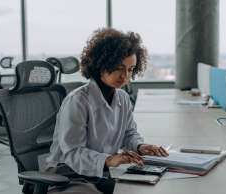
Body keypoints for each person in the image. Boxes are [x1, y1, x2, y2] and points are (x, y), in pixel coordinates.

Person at [46, 28, 168, 194]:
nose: (125, 76)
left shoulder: (123, 98)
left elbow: (128, 133)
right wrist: (110, 159)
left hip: (101, 173)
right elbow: (73, 153)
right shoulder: (78, 101)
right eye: (119, 68)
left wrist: (140, 146)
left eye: (131, 69)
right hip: (66, 175)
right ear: (101, 64)